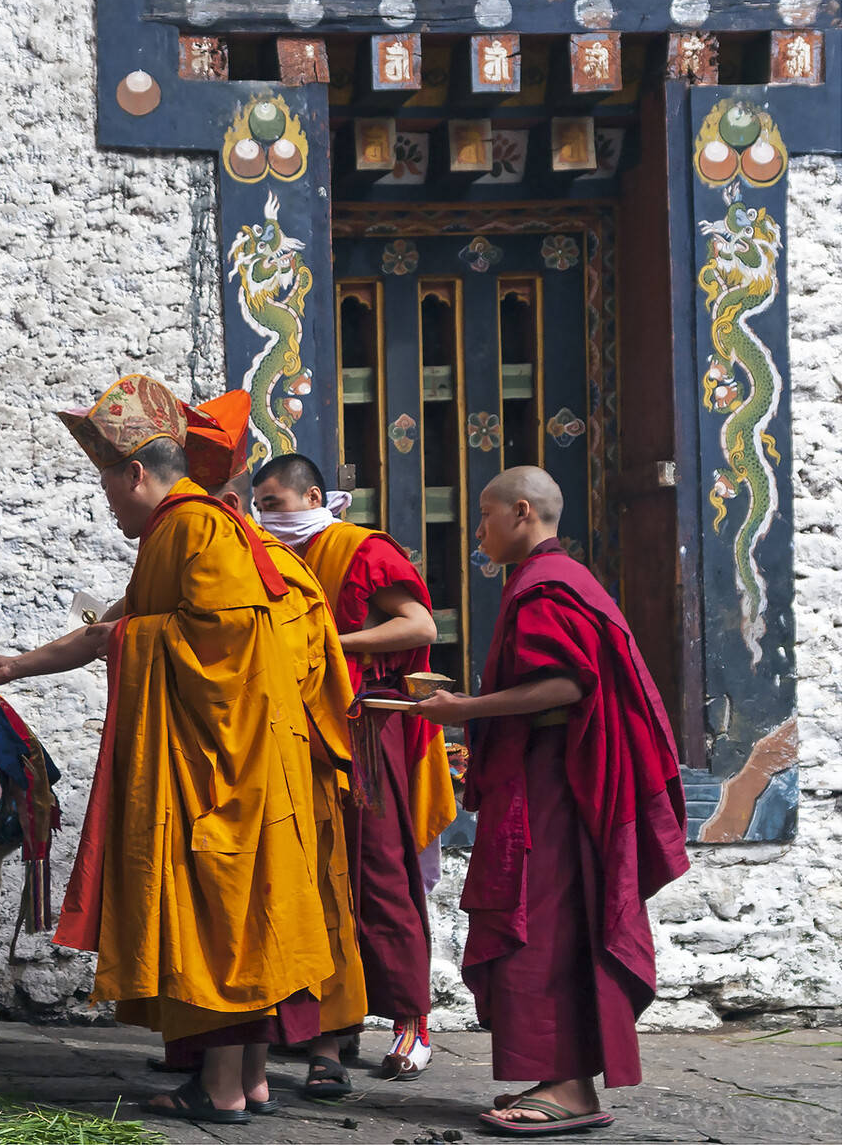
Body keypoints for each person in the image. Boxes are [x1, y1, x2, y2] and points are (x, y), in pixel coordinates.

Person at [0, 375, 332, 1124]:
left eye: (108, 485)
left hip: (222, 763)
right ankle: (248, 1079)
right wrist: (18, 665)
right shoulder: (182, 531)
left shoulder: (193, 527)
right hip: (227, 755)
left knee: (222, 914)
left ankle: (223, 1087)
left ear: (136, 471)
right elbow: (115, 626)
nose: (107, 504)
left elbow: (223, 639)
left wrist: (131, 640)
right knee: (237, 911)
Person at [409, 465, 689, 1137]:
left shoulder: (546, 585)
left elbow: (567, 683)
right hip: (555, 774)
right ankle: (567, 1080)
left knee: (548, 925)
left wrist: (463, 708)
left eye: (486, 515)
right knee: (556, 922)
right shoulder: (560, 579)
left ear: (523, 512)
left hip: (558, 782)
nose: (478, 531)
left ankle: (568, 1086)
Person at [182, 393, 367, 1097]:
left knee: (237, 914)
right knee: (273, 909)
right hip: (292, 761)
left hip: (246, 762)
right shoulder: (287, 567)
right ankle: (254, 1075)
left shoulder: (237, 559)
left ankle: (235, 1080)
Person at [252, 453, 458, 1081]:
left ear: (314, 495)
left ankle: (411, 1022)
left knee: (378, 877)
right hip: (290, 733)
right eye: (259, 506)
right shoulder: (263, 553)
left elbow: (417, 624)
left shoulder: (358, 550)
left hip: (362, 732)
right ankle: (322, 1029)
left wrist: (329, 641)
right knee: (306, 881)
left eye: (276, 504)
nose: (266, 517)